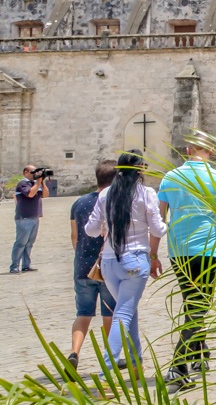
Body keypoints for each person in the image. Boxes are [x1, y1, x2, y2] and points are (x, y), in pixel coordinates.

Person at [158, 140, 216, 390]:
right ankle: (178, 364)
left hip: (178, 249)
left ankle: (201, 351)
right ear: (211, 152)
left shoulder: (170, 177)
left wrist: (152, 251)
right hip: (207, 249)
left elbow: (160, 218)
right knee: (199, 305)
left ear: (188, 151)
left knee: (192, 301)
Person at [84, 150, 167, 371]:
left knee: (127, 310)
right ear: (141, 170)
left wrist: (105, 226)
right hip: (135, 260)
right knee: (123, 313)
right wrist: (167, 224)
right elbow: (157, 229)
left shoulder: (105, 194)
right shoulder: (146, 193)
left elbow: (91, 230)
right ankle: (107, 370)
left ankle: (135, 362)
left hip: (109, 262)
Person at [67, 159, 118, 369]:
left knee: (83, 313)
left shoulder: (79, 203)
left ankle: (74, 352)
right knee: (109, 314)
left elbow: (74, 236)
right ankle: (110, 357)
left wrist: (81, 256)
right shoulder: (113, 202)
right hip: (106, 265)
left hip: (83, 265)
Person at [11, 163, 51, 274]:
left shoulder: (35, 184)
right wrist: (38, 182)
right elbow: (30, 194)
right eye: (33, 172)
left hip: (35, 217)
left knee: (29, 243)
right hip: (24, 218)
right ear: (26, 172)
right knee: (21, 243)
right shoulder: (22, 183)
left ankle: (26, 265)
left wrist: (42, 182)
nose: (35, 174)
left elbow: (46, 194)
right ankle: (14, 266)